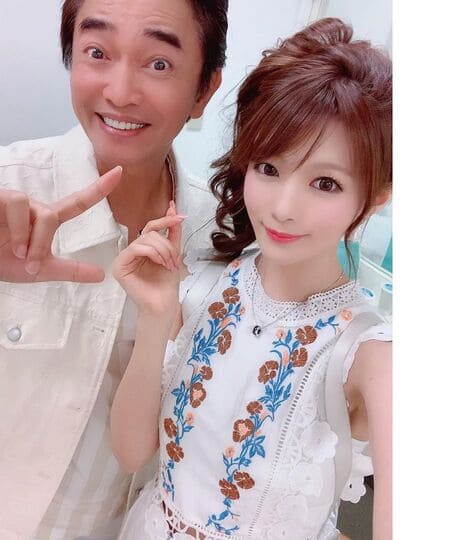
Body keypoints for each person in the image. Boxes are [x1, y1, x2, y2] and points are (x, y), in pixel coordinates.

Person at [110, 17, 392, 540]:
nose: (283, 208)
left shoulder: (371, 355)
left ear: (376, 196)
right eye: (268, 168)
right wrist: (155, 319)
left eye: (325, 183)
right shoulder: (201, 285)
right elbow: (131, 455)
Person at [0, 1, 228, 539]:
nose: (120, 92)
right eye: (97, 52)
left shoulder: (222, 241)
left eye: (158, 63)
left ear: (205, 89)